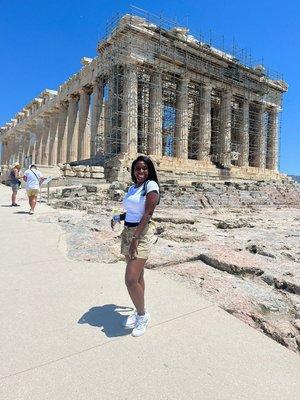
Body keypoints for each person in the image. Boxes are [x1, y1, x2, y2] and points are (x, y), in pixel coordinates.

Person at [111, 155, 160, 337]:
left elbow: (147, 213)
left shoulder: (151, 186)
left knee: (130, 280)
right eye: (137, 169)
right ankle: (139, 308)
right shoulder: (133, 188)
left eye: (144, 168)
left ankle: (142, 315)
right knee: (138, 276)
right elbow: (132, 212)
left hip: (141, 234)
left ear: (149, 170)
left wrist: (135, 239)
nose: (140, 172)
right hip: (127, 232)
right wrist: (118, 217)